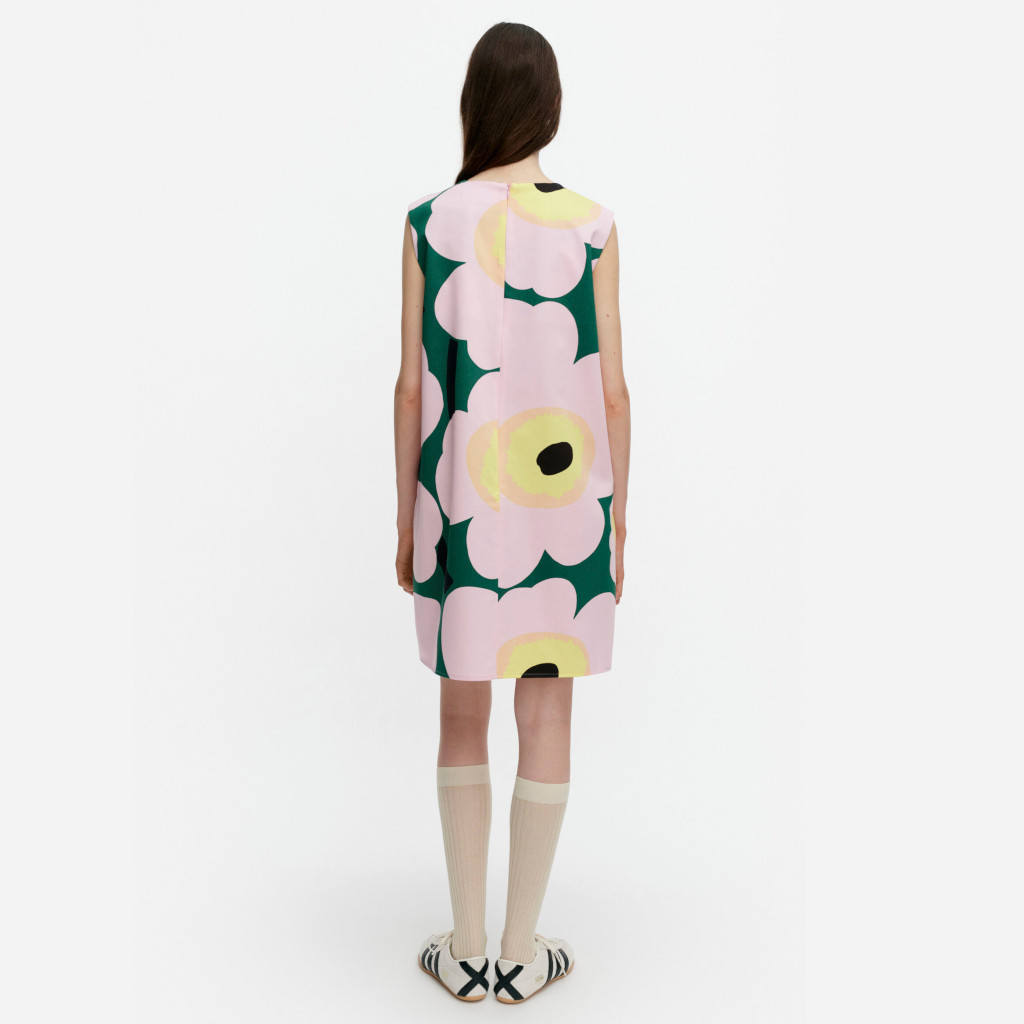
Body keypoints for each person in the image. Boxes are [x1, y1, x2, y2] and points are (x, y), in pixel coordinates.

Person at [393, 22, 630, 1004]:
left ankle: (463, 948)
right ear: (551, 108)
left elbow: (412, 388)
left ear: (474, 104)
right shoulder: (592, 226)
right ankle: (523, 953)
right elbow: (611, 389)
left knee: (462, 708)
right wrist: (619, 525)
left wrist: (405, 520)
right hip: (564, 514)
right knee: (547, 709)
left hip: (458, 504)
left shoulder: (427, 223)